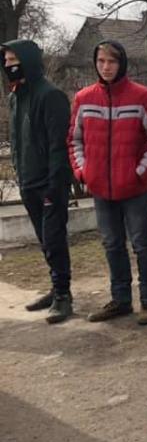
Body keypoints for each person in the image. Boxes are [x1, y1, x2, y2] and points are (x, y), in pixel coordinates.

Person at [68, 40, 147, 325]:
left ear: (121, 63)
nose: (106, 67)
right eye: (101, 61)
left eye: (111, 61)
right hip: (101, 189)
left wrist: (140, 173)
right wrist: (84, 172)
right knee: (111, 245)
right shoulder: (84, 98)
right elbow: (74, 139)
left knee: (142, 245)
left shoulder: (142, 97)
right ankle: (121, 299)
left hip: (135, 188)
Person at [1, 39, 73, 323]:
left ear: (27, 61)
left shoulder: (51, 95)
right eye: (6, 61)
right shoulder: (15, 97)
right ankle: (55, 288)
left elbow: (58, 144)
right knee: (44, 240)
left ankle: (63, 295)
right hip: (28, 180)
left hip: (49, 183)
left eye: (13, 60)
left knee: (54, 239)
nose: (8, 65)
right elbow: (18, 139)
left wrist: (55, 183)